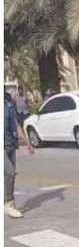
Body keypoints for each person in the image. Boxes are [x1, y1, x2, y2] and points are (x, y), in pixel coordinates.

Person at [4, 90, 33, 219]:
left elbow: (16, 125)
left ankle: (9, 202)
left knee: (11, 174)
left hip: (10, 144)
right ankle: (8, 203)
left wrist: (27, 142)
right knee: (9, 172)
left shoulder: (7, 104)